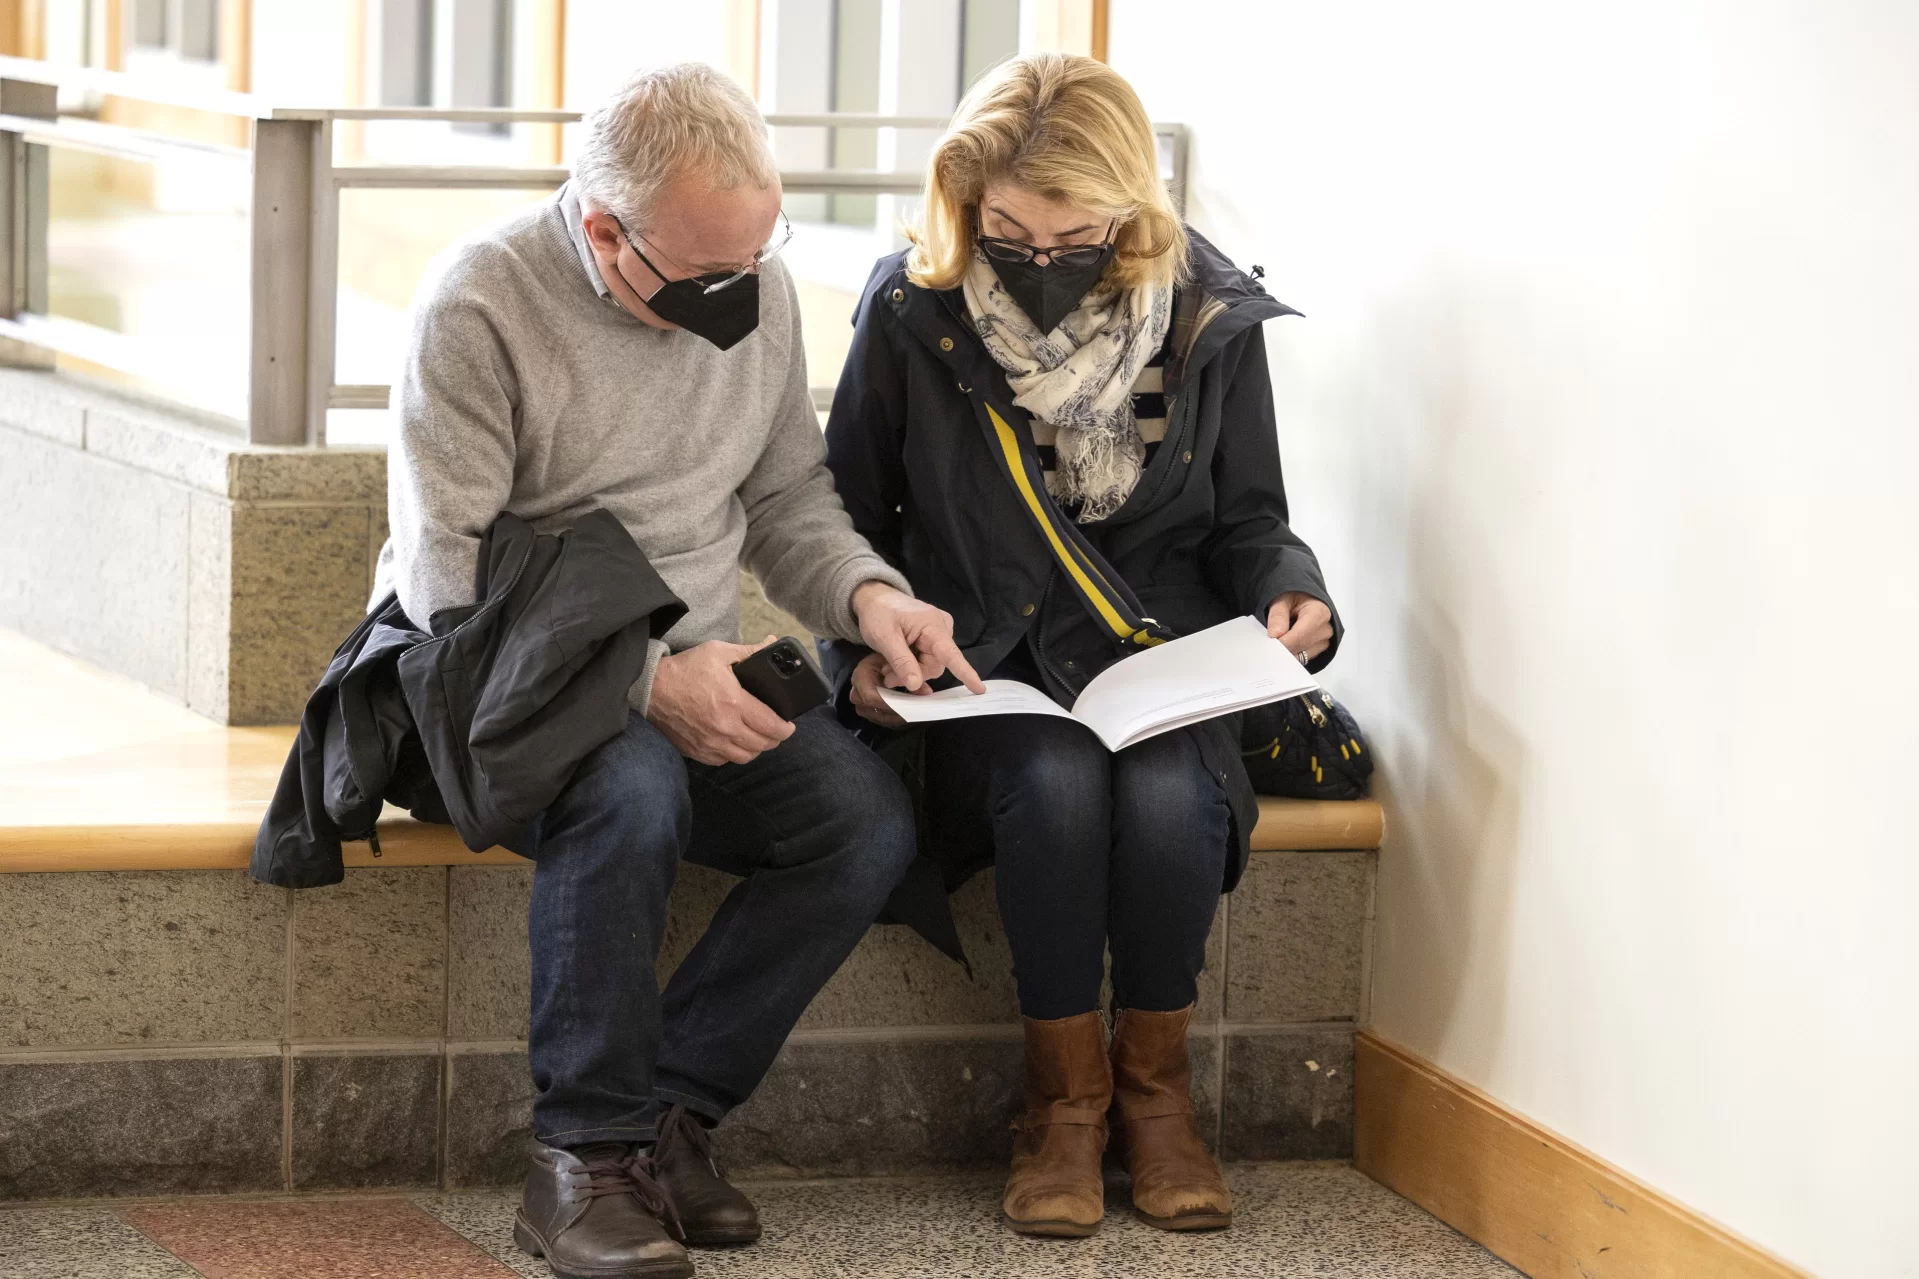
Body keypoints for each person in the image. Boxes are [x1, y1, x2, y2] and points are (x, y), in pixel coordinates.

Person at [377, 63, 980, 1279]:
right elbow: (448, 591)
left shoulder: (747, 281)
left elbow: (783, 496)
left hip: (691, 666)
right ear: (602, 230)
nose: (735, 299)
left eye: (753, 264)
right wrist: (650, 682)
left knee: (861, 819)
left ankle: (664, 1121)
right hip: (500, 689)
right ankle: (578, 1162)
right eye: (704, 277)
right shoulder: (480, 304)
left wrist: (872, 600)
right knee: (633, 786)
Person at [823, 53, 1341, 1238]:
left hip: (1158, 652)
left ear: (1129, 210)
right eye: (1008, 229)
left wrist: (1293, 596)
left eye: (1074, 239)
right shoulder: (913, 304)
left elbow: (1252, 518)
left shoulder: (1206, 314)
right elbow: (845, 516)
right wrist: (851, 642)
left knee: (1167, 800)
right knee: (1053, 786)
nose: (1038, 261)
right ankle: (1059, 1109)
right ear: (964, 200)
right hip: (980, 650)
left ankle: (1158, 1104)